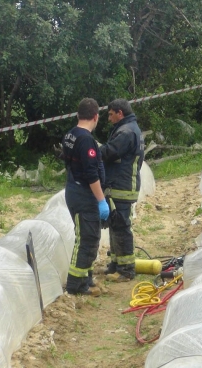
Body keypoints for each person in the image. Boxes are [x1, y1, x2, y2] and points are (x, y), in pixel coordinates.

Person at [62, 98, 110, 296]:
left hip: (73, 189)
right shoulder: (86, 140)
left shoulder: (70, 135)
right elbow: (91, 174)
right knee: (87, 239)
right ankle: (75, 285)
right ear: (96, 117)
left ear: (78, 115)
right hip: (84, 194)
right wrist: (101, 201)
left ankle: (86, 279)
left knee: (89, 236)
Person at [99, 98, 145, 282]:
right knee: (115, 224)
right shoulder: (129, 128)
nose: (109, 118)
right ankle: (116, 264)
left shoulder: (126, 132)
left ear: (120, 113)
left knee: (121, 226)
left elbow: (110, 152)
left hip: (122, 186)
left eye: (111, 114)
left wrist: (90, 150)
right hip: (121, 184)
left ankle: (126, 270)